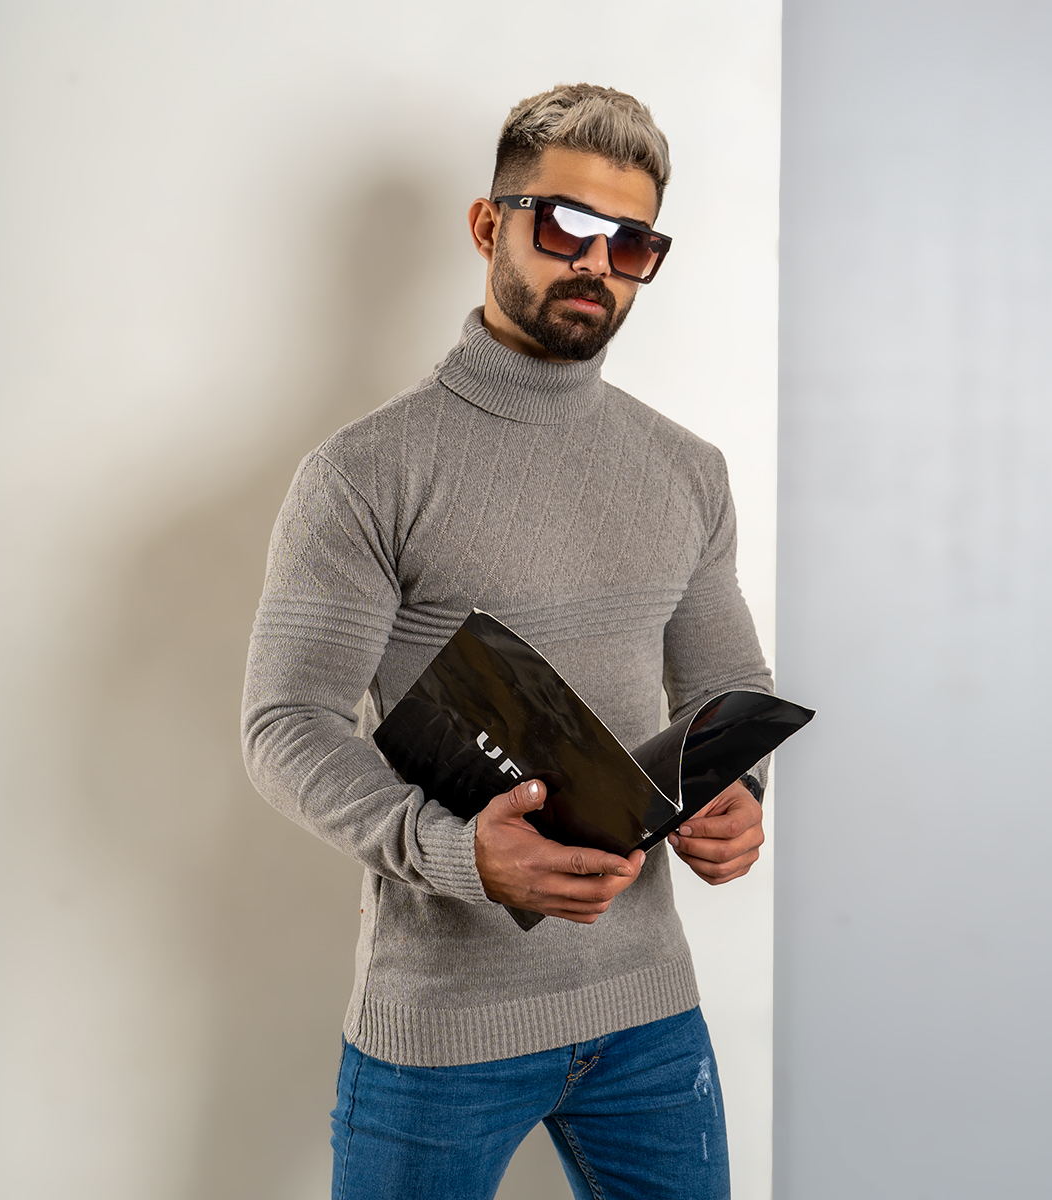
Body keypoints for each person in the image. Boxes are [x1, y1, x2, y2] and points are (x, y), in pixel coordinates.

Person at [242, 82, 773, 1200]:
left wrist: (739, 796)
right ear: (490, 225)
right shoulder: (365, 474)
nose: (597, 263)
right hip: (443, 1027)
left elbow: (726, 686)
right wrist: (454, 853)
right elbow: (286, 725)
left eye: (632, 242)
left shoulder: (688, 469)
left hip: (649, 1015)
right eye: (566, 224)